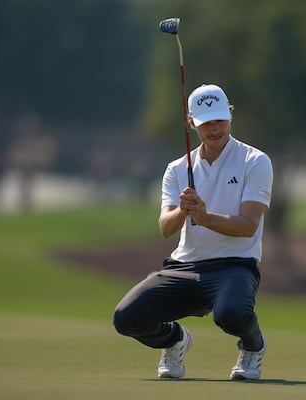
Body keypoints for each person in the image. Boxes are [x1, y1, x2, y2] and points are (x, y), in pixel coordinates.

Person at [113, 83, 273, 380]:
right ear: (192, 124)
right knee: (126, 318)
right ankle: (175, 340)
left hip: (235, 265)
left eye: (220, 120)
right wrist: (182, 211)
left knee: (231, 315)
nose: (215, 129)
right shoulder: (177, 169)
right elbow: (165, 228)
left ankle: (253, 347)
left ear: (230, 116)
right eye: (207, 123)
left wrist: (204, 215)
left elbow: (249, 225)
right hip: (185, 267)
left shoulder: (255, 161)